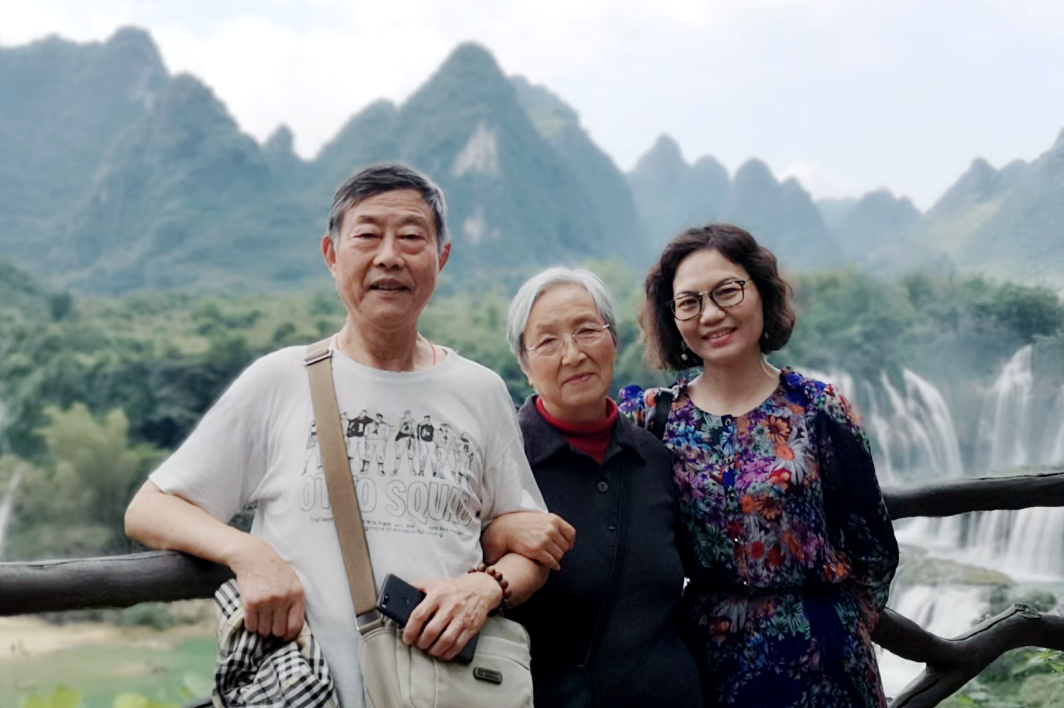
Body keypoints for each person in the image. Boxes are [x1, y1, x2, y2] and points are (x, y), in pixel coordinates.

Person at [124, 163, 550, 708]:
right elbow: (150, 508)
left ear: (441, 257)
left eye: (412, 237)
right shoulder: (279, 381)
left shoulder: (481, 391)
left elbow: (532, 548)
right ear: (331, 254)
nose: (389, 256)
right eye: (367, 235)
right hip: (310, 694)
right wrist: (247, 552)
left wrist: (485, 587)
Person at [619, 224, 899, 708]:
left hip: (825, 664)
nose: (711, 314)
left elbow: (874, 549)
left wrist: (843, 626)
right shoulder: (652, 418)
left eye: (727, 290)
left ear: (761, 291)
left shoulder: (818, 408)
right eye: (689, 302)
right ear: (672, 316)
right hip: (707, 664)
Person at [483, 267, 703, 708]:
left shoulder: (654, 457)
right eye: (548, 341)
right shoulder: (499, 461)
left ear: (613, 340)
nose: (573, 354)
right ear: (524, 364)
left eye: (587, 330)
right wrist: (493, 536)